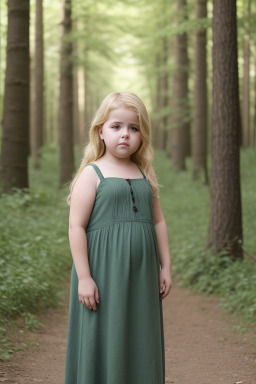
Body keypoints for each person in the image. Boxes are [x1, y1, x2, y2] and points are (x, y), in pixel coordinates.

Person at [65, 92, 172, 384]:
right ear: (101, 130)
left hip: (140, 275)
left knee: (139, 332)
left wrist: (166, 266)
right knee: (104, 333)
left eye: (133, 128)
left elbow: (158, 221)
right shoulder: (92, 173)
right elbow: (76, 227)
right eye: (116, 127)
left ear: (141, 134)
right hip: (102, 272)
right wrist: (85, 277)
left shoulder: (144, 172)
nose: (125, 134)